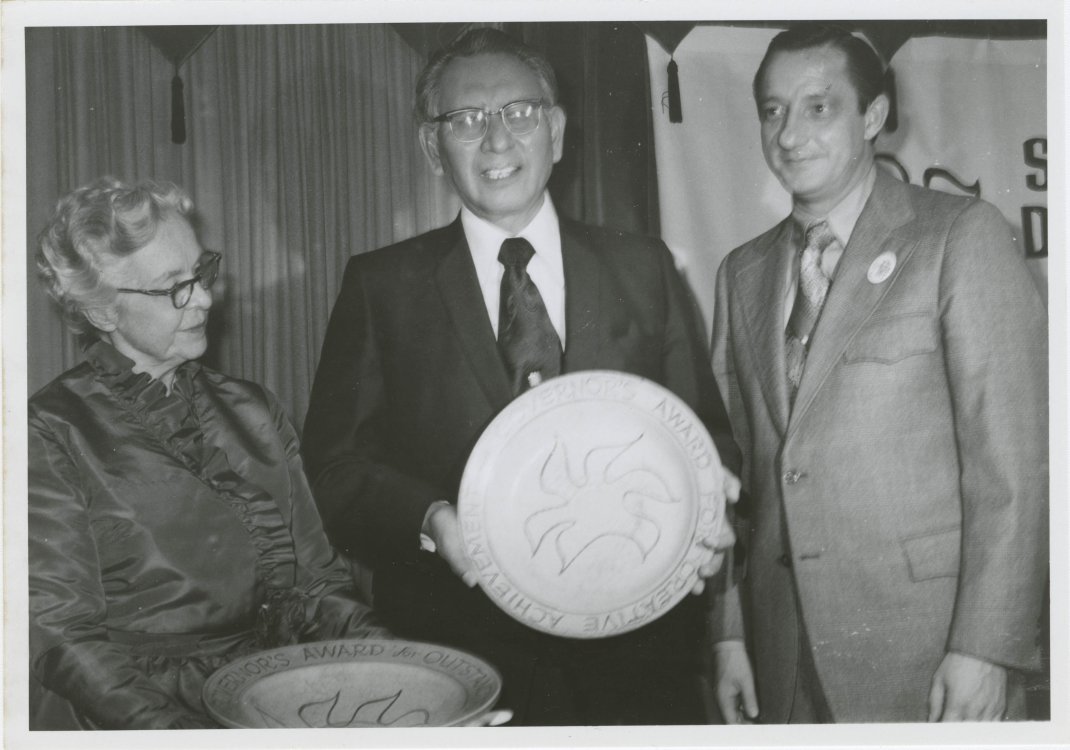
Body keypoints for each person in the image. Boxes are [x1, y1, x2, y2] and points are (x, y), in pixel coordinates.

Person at [302, 28, 741, 726]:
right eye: (466, 120)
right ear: (431, 147)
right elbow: (332, 469)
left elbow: (708, 437)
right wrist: (429, 518)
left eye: (520, 112)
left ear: (557, 131)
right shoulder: (382, 285)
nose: (497, 140)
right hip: (459, 662)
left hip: (637, 659)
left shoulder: (642, 266)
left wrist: (709, 490)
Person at [709, 24, 1048, 723]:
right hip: (782, 655)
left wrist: (988, 649)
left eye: (818, 106)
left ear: (873, 116)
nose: (790, 133)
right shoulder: (740, 274)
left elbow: (1014, 465)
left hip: (929, 653)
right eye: (773, 110)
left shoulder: (960, 235)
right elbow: (726, 473)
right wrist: (730, 632)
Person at [28, 177, 390, 730]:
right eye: (174, 285)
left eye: (202, 271)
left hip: (268, 692)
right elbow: (60, 633)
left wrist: (394, 663)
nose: (204, 297)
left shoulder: (254, 410)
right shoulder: (53, 428)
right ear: (103, 312)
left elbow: (316, 587)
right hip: (126, 714)